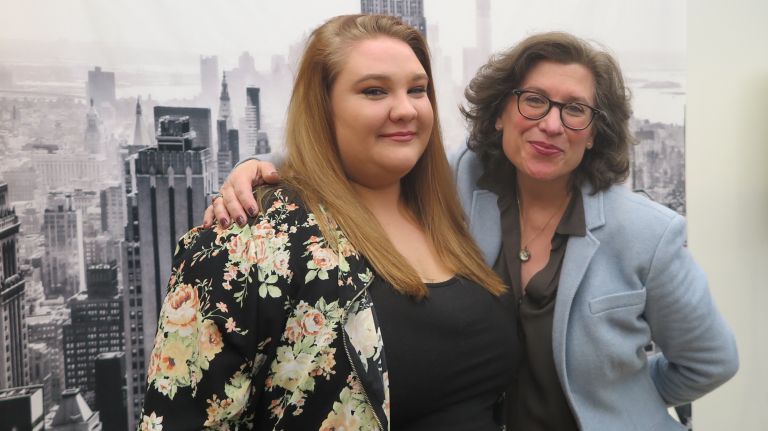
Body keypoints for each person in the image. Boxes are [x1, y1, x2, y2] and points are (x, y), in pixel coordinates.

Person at [206, 31, 739, 430]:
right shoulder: (453, 182)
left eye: (575, 110)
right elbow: (355, 150)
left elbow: (710, 361)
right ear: (502, 110)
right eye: (534, 100)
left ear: (595, 133)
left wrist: (624, 398)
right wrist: (261, 167)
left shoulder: (648, 232)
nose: (551, 124)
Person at [140, 14, 519, 431]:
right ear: (323, 108)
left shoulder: (451, 214)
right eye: (374, 91)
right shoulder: (249, 239)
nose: (405, 109)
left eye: (417, 89)